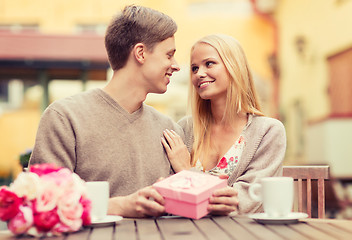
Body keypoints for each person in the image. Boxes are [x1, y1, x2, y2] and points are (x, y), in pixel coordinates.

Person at [29, 6, 237, 218]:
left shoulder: (170, 130)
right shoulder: (64, 118)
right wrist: (119, 207)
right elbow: (41, 203)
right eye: (169, 55)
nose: (176, 66)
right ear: (140, 53)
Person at [162, 34, 286, 214]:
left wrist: (186, 171)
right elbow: (172, 193)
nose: (199, 74)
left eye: (209, 63)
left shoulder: (268, 131)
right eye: (194, 68)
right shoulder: (186, 128)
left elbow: (251, 198)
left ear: (233, 66)